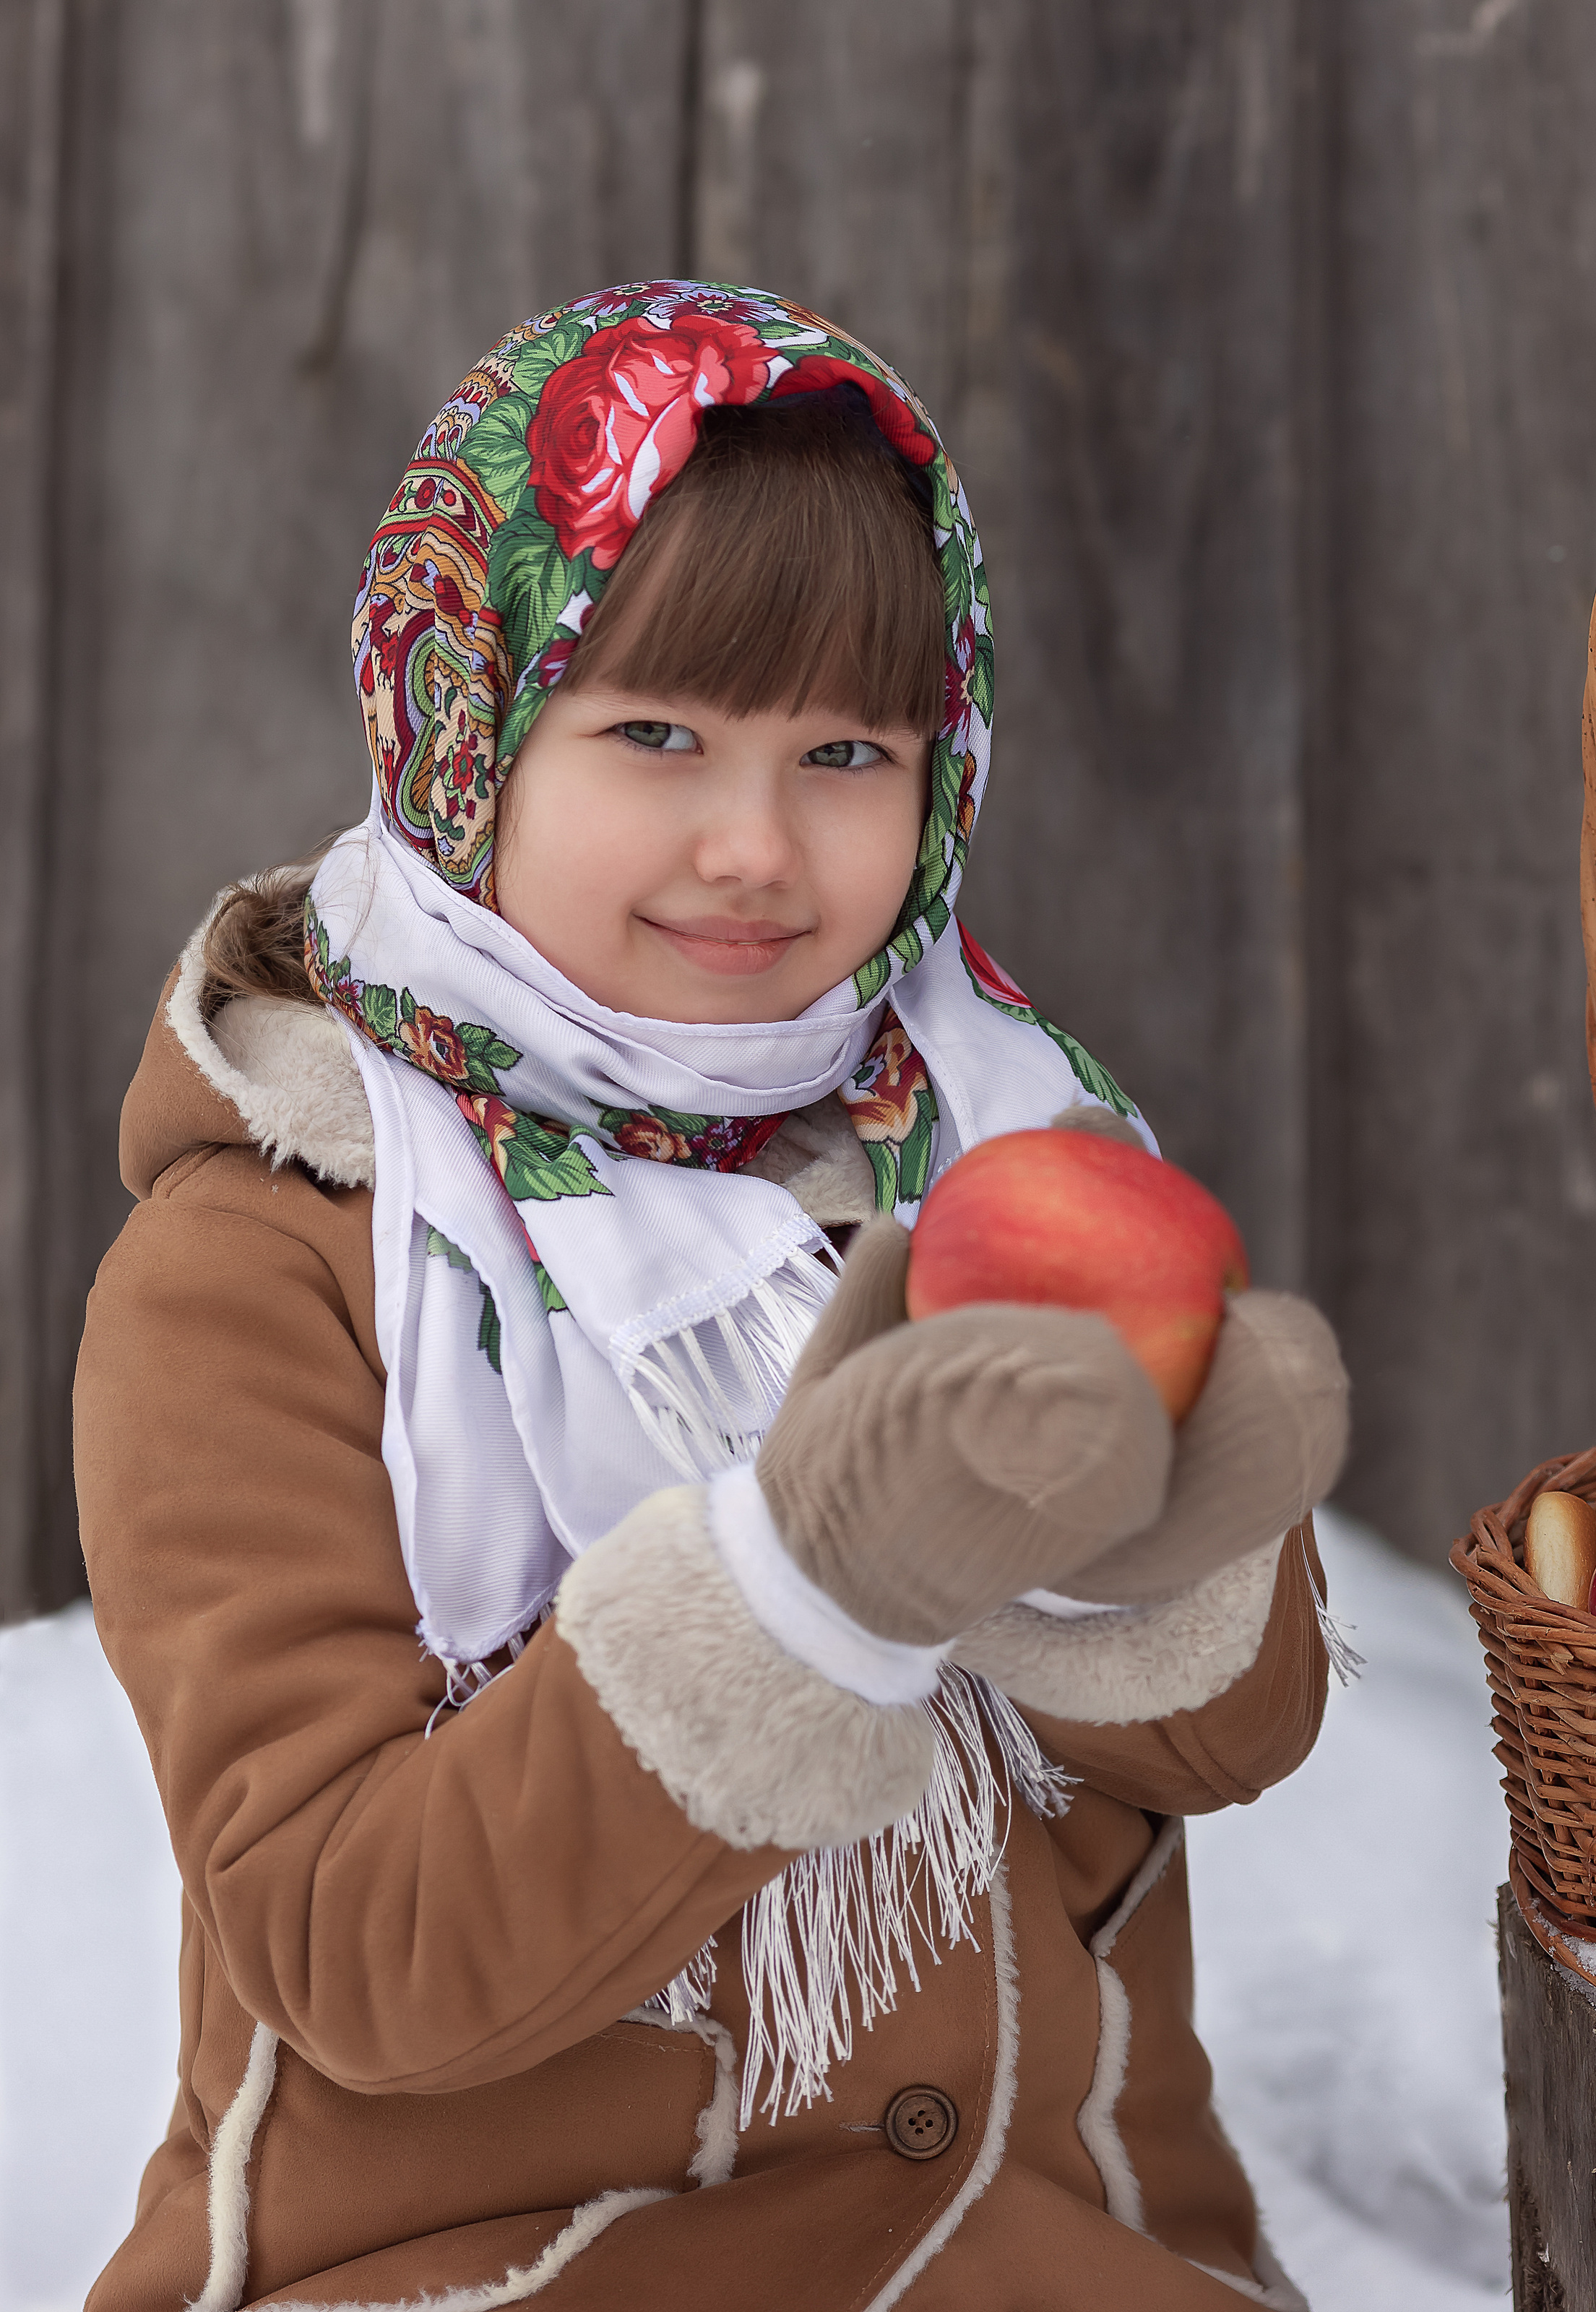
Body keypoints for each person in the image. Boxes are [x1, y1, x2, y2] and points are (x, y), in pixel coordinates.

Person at [75, 281, 1349, 2311]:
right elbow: (353, 1952)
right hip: (478, 2277)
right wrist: (804, 1591)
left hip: (1048, 2250)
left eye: (847, 751)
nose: (756, 846)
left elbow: (1236, 1741)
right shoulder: (264, 1266)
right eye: (655, 733)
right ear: (471, 733)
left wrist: (1146, 1559)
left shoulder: (997, 1141)